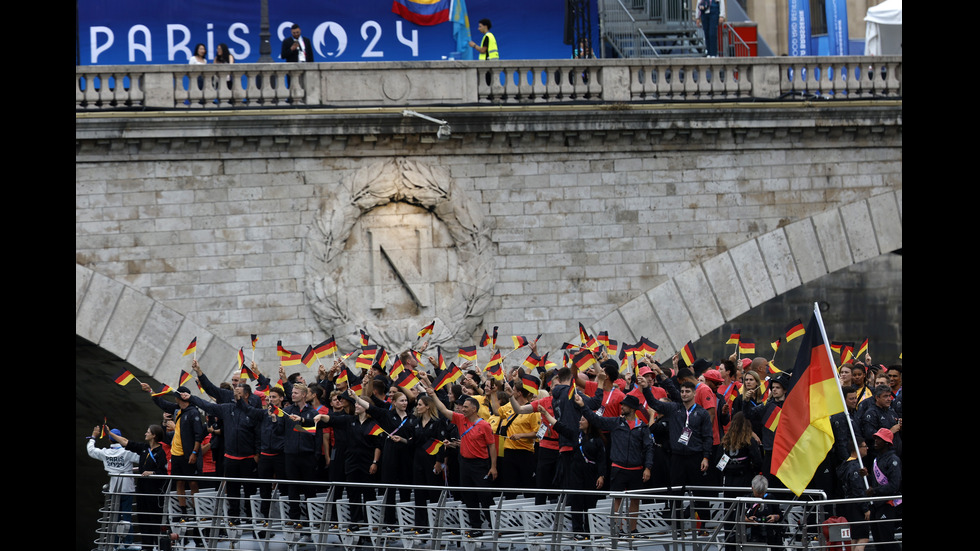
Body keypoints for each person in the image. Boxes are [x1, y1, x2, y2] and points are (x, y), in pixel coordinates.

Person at [106, 426, 169, 550]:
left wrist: (152, 473)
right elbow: (125, 442)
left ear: (154, 435)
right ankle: (146, 546)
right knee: (142, 516)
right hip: (142, 488)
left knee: (153, 518)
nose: (145, 433)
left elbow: (164, 472)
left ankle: (156, 545)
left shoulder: (160, 452)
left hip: (154, 491)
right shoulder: (144, 448)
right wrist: (109, 433)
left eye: (148, 432)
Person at [87, 426, 139, 549]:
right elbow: (143, 458)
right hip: (127, 488)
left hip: (113, 490)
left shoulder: (105, 453)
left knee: (114, 516)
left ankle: (114, 542)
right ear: (120, 438)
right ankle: (128, 543)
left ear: (110, 440)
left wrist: (93, 436)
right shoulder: (127, 452)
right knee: (126, 516)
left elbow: (91, 450)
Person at [837, 437, 871, 551]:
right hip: (857, 506)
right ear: (857, 448)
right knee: (863, 538)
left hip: (848, 505)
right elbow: (857, 488)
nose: (867, 448)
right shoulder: (855, 466)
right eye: (864, 446)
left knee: (854, 538)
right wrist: (865, 508)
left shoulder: (845, 465)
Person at [743, 474, 784, 548]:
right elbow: (737, 517)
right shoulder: (746, 499)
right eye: (758, 493)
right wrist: (748, 520)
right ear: (752, 488)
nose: (760, 496)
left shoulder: (770, 498)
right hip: (751, 534)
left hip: (769, 534)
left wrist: (775, 517)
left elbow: (780, 515)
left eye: (762, 493)